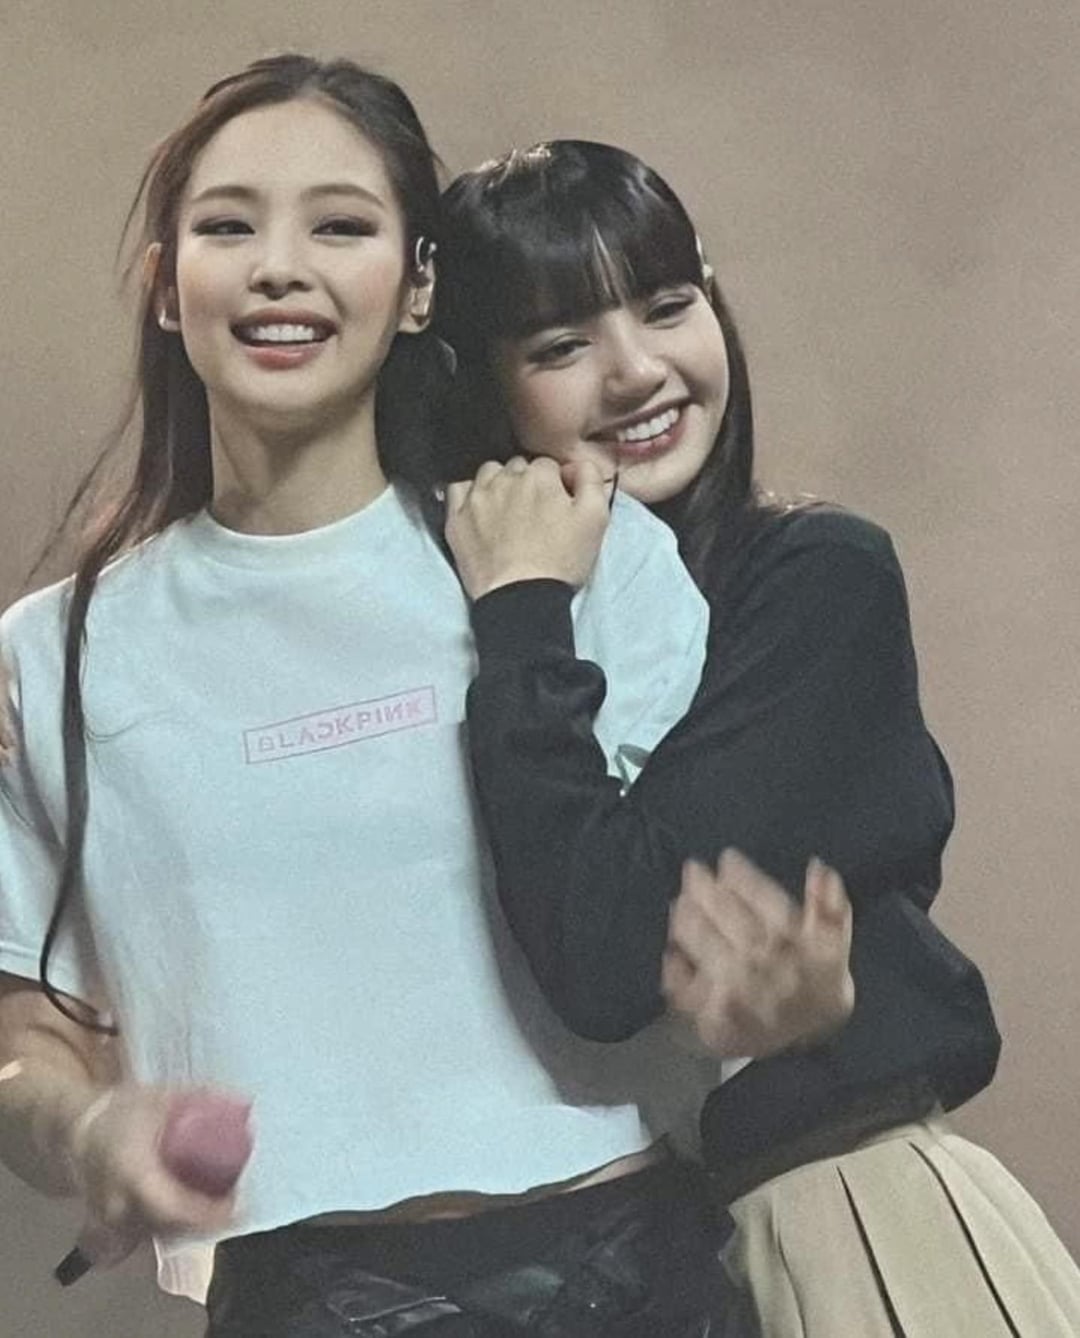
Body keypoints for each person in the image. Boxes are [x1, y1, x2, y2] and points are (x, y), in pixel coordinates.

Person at [0, 57, 859, 1338]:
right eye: (229, 226)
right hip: (302, 1298)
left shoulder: (576, 551)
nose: (279, 268)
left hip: (639, 1278)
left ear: (416, 290)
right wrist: (81, 1126)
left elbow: (673, 926)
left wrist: (792, 1001)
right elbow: (31, 1022)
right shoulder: (57, 655)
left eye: (339, 227)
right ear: (167, 288)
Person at [435, 139, 1080, 1336]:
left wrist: (523, 618)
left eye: (667, 305)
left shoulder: (812, 577)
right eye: (561, 345)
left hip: (840, 1217)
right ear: (481, 387)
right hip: (620, 1267)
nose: (637, 371)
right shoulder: (440, 623)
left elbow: (608, 956)